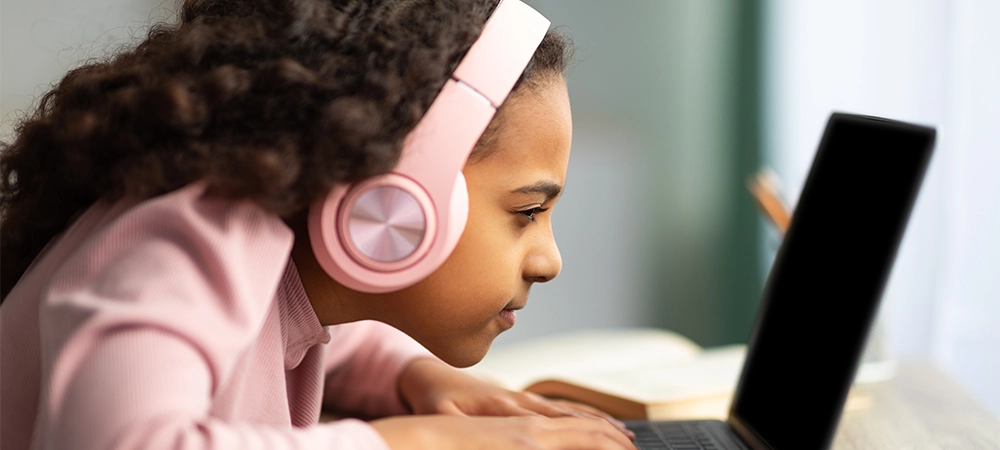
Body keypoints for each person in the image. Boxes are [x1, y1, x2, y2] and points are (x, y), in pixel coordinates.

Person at [0, 0, 636, 449]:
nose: (548, 260)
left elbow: (296, 336)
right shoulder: (179, 244)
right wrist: (419, 443)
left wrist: (414, 378)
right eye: (527, 212)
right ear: (398, 196)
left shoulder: (257, 259)